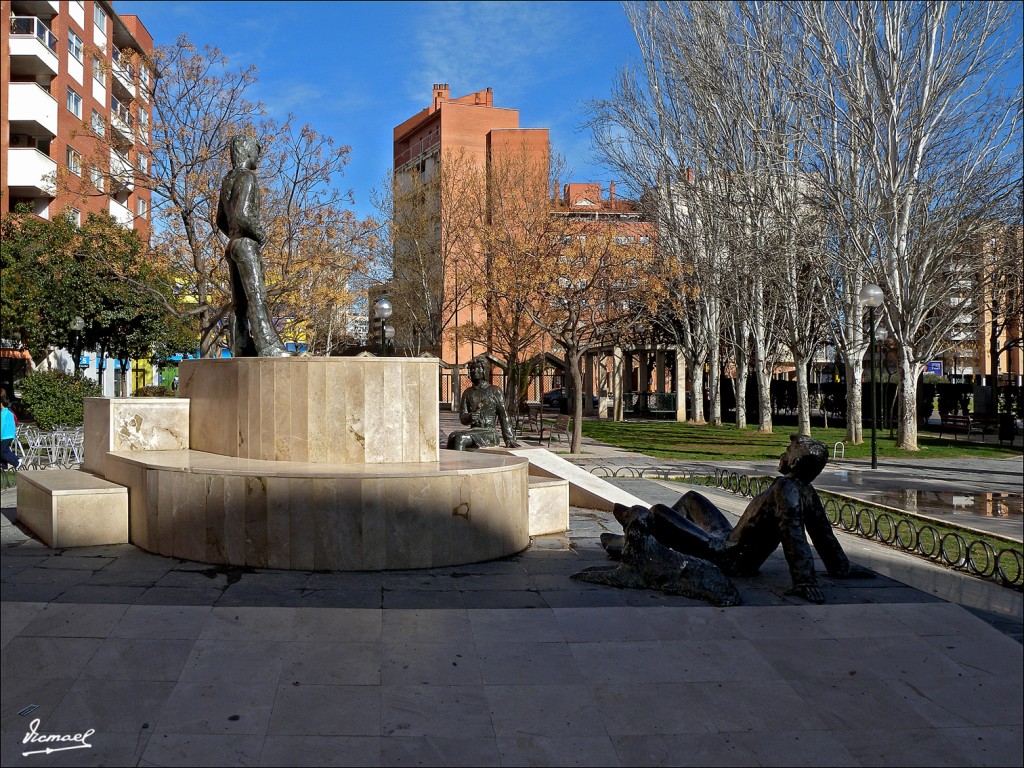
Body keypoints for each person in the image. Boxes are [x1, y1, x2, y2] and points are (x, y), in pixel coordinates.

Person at [606, 434, 868, 603]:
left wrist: (805, 581)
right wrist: (840, 567)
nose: (783, 454)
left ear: (797, 460)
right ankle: (638, 535)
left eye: (788, 450)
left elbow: (795, 533)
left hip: (728, 557)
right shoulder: (805, 491)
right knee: (690, 498)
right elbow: (824, 535)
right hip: (727, 538)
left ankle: (634, 539)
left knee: (658, 511)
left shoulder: (788, 490)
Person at [216, 135, 289, 357]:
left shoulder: (228, 180)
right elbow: (243, 214)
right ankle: (269, 346)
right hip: (246, 244)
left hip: (232, 245)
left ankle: (241, 345)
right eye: (257, 151)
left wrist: (233, 235)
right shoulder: (248, 177)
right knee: (257, 296)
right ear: (247, 152)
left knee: (239, 301)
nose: (258, 156)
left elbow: (220, 219)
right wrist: (259, 234)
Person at [446, 358, 521, 451]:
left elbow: (504, 416)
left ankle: (460, 464)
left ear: (485, 370)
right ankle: (451, 463)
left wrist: (509, 439)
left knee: (461, 438)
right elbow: (462, 418)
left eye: (478, 368)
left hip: (489, 432)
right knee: (452, 436)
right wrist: (469, 417)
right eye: (472, 369)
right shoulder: (468, 392)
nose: (475, 371)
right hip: (474, 430)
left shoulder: (495, 391)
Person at [1, 397, 20, 472]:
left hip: (5, 436)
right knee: (4, 451)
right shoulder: (9, 412)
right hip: (9, 435)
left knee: (2, 452)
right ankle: (4, 468)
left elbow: (1, 425)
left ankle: (17, 461)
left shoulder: (3, 413)